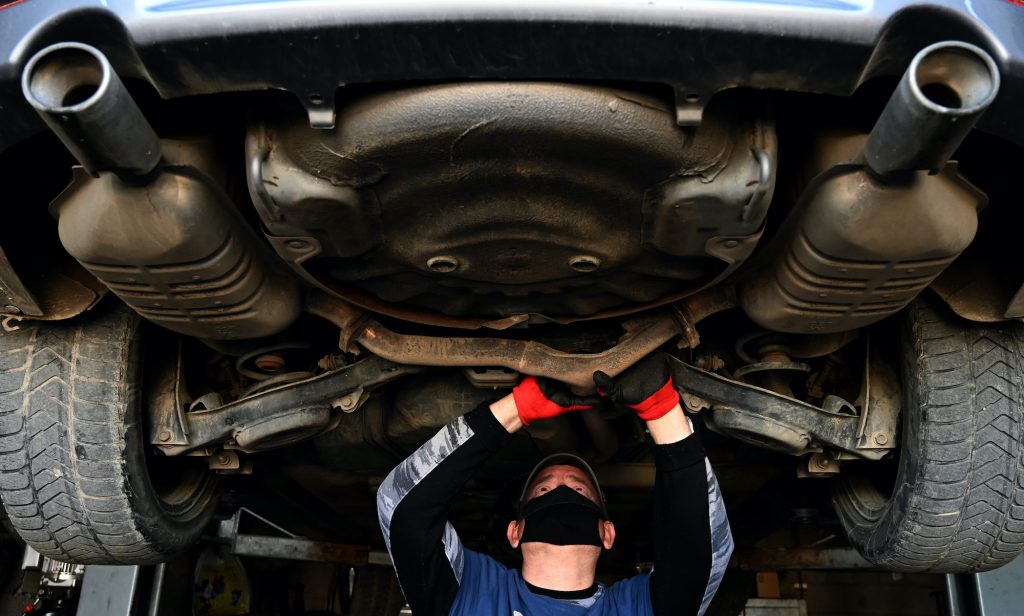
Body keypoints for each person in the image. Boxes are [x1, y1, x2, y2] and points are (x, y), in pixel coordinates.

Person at [376, 353, 733, 615]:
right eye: (544, 489)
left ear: (607, 532)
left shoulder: (637, 606)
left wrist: (517, 409)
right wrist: (661, 410)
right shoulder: (472, 586)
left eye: (578, 490)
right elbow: (403, 508)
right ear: (514, 531)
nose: (561, 486)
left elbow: (697, 559)